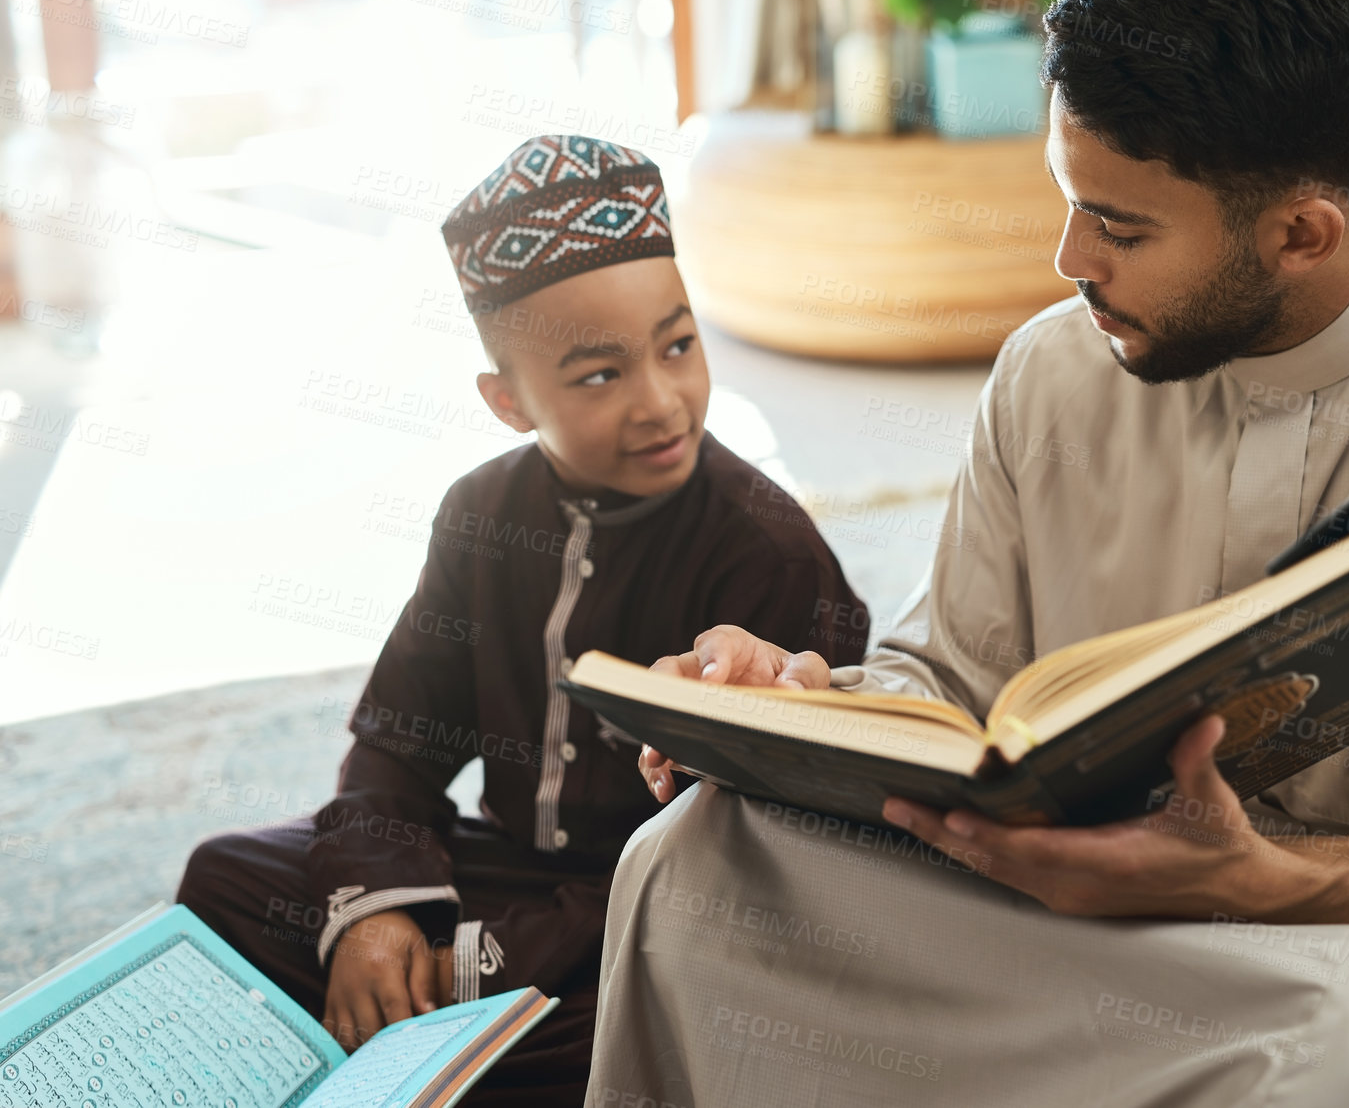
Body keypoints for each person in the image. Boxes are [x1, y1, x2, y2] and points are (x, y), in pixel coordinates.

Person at [598, 0, 1349, 1105]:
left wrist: (1262, 877)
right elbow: (955, 689)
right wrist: (795, 711)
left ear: (1301, 234)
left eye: (1119, 227)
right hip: (1052, 904)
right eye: (1068, 202)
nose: (1070, 262)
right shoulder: (1052, 370)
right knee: (696, 859)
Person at [175, 136, 868, 1105]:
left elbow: (743, 857)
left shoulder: (766, 549)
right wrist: (378, 918)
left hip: (663, 912)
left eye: (679, 345)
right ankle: (419, 1019)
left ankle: (423, 1029)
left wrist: (467, 965)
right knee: (225, 881)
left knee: (686, 1016)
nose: (662, 401)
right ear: (506, 402)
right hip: (504, 875)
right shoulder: (478, 515)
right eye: (598, 376)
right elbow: (397, 744)